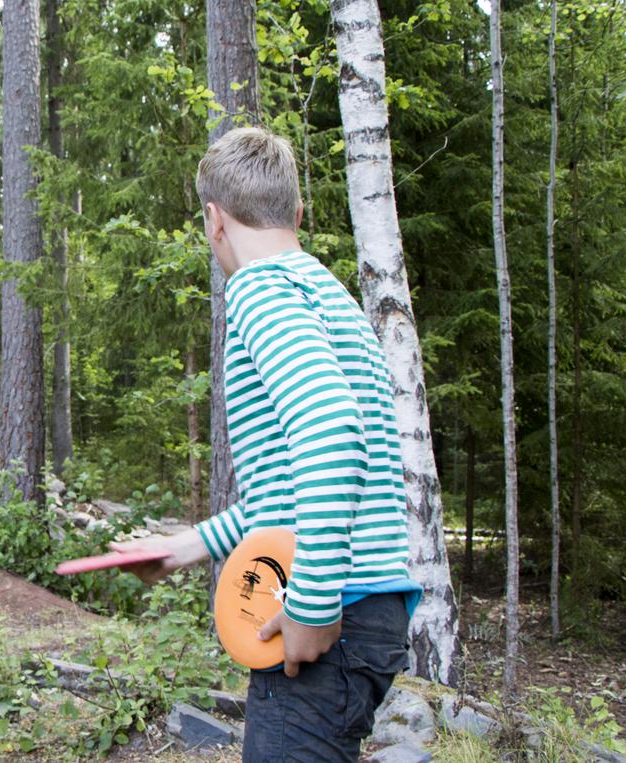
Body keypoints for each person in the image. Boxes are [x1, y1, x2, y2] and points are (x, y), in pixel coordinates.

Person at [111, 127, 422, 762]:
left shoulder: (259, 290)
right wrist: (186, 546)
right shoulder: (328, 296)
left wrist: (310, 600)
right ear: (298, 214)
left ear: (212, 220)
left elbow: (334, 431)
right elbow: (294, 488)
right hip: (369, 608)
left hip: (325, 612)